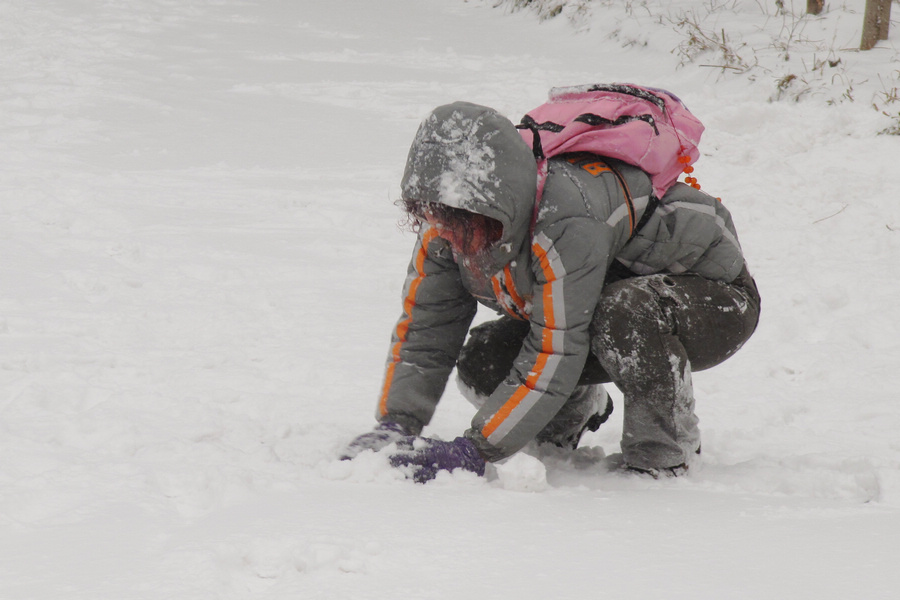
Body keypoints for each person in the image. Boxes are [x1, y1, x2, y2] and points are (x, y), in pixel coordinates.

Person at [341, 100, 761, 482]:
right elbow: (427, 329)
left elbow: (554, 350)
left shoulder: (567, 219)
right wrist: (396, 424)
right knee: (484, 359)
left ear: (491, 206)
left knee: (625, 312)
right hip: (600, 306)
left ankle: (664, 455)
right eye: (433, 215)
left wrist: (476, 450)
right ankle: (572, 414)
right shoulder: (449, 223)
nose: (442, 231)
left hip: (714, 298)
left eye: (453, 219)